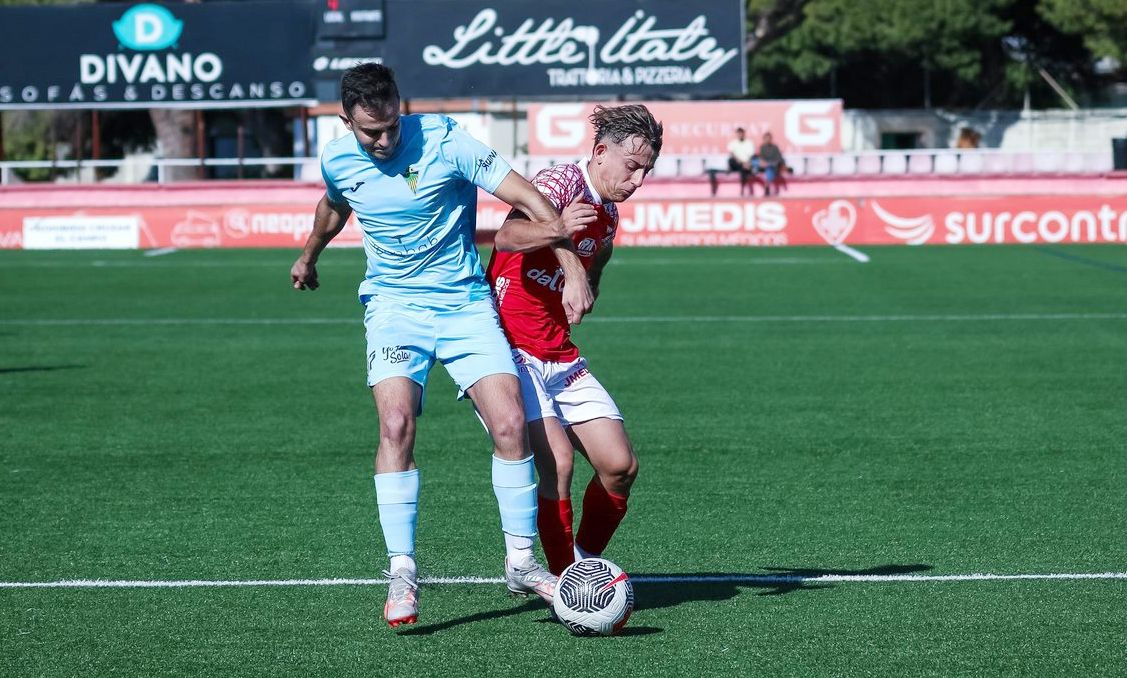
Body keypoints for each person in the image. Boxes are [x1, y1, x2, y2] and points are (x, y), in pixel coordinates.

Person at [290, 63, 594, 628]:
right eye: (370, 134)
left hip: (464, 305)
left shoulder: (448, 141)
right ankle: (403, 569)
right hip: (393, 308)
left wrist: (572, 268)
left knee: (509, 425)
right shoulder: (337, 157)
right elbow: (335, 205)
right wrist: (310, 255)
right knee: (396, 425)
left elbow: (531, 200)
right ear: (345, 122)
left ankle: (522, 563)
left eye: (392, 127)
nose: (384, 141)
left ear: (402, 105)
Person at [486, 104, 663, 576]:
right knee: (559, 463)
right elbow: (506, 237)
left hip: (559, 356)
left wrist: (587, 285)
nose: (638, 181)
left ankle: (581, 561)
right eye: (632, 167)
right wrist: (557, 229)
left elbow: (599, 254)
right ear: (601, 152)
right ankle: (570, 581)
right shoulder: (559, 184)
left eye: (646, 171)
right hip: (509, 352)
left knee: (620, 466)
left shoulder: (608, 213)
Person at [726, 126, 755, 196]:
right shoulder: (733, 143)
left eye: (741, 133)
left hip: (746, 164)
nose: (740, 135)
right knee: (731, 160)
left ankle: (743, 189)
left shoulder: (749, 143)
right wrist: (741, 162)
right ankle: (744, 188)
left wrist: (746, 163)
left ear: (744, 134)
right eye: (739, 133)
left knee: (745, 169)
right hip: (737, 163)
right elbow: (732, 154)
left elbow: (751, 156)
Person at [754, 131, 785, 196]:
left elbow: (778, 159)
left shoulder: (775, 147)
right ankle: (753, 172)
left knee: (769, 169)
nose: (767, 139)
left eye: (769, 138)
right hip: (762, 166)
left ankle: (767, 185)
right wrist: (762, 162)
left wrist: (769, 163)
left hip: (772, 166)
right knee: (754, 162)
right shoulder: (761, 147)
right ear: (764, 139)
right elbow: (758, 157)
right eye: (766, 138)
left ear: (771, 139)